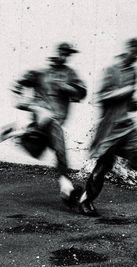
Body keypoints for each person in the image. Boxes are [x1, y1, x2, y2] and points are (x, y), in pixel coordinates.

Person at [1, 42, 87, 210]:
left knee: (42, 149)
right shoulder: (41, 74)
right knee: (58, 143)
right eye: (62, 53)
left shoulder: (70, 74)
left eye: (67, 54)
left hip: (47, 123)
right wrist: (24, 102)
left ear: (69, 55)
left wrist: (66, 87)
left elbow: (81, 92)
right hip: (46, 117)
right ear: (57, 54)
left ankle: (18, 132)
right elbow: (19, 84)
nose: (64, 56)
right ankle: (66, 186)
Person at [78, 38, 137, 215]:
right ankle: (86, 200)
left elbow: (129, 100)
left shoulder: (134, 72)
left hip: (127, 126)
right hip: (110, 128)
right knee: (103, 166)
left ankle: (134, 159)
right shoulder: (111, 70)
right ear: (129, 49)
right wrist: (121, 93)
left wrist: (133, 103)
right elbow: (101, 97)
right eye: (136, 52)